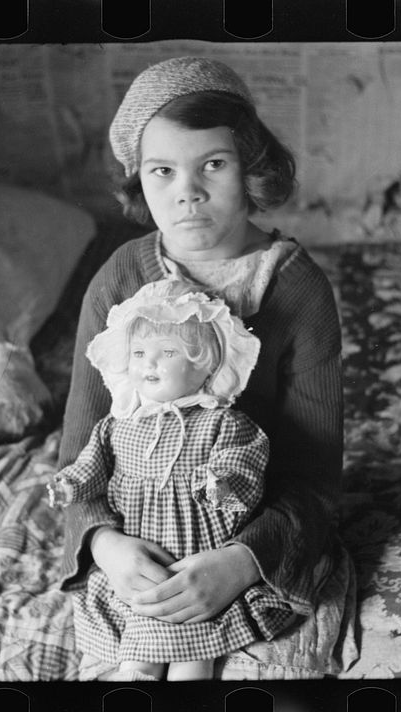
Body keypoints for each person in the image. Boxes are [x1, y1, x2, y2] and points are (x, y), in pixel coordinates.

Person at [57, 56, 345, 679]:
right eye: (163, 171)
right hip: (138, 542)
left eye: (213, 164)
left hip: (240, 537)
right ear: (141, 182)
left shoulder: (299, 290)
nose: (187, 191)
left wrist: (243, 560)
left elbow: (315, 474)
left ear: (250, 168)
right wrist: (105, 545)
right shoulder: (119, 279)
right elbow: (80, 452)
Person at [50, 279, 290, 681]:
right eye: (140, 353)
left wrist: (220, 483)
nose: (148, 364)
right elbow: (91, 467)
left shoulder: (223, 422)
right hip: (140, 564)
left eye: (167, 353)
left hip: (197, 568)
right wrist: (70, 485)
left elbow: (243, 468)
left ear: (206, 363)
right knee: (137, 659)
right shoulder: (118, 425)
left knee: (193, 660)